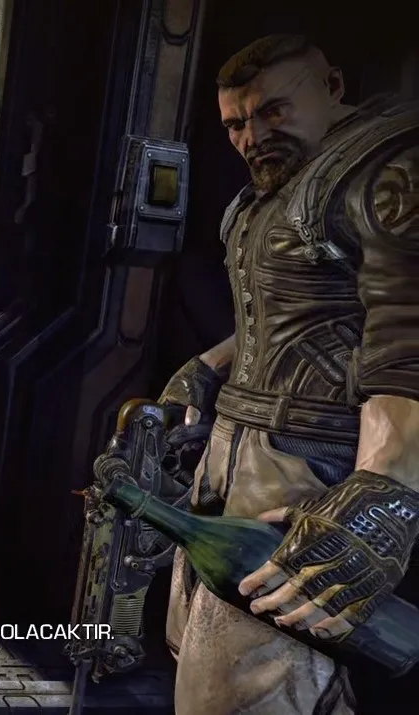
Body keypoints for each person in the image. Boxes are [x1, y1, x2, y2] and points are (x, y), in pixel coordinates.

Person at [154, 34, 419, 714]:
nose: (252, 137)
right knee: (198, 662)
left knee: (253, 686)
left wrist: (386, 492)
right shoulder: (282, 185)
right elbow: (289, 317)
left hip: (315, 469)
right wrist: (208, 367)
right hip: (233, 457)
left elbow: (406, 335)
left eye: (273, 111)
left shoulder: (391, 169)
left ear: (332, 87)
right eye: (236, 124)